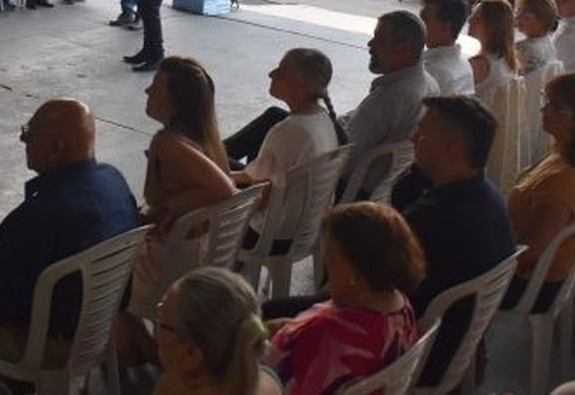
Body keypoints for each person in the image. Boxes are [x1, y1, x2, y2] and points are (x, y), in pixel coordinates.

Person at [0, 99, 140, 395]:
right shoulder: (114, 183)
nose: (23, 140)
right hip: (100, 326)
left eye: (29, 134)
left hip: (52, 343)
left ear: (56, 147)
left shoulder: (41, 215)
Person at [118, 57, 238, 362]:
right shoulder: (202, 135)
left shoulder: (169, 144)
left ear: (175, 101)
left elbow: (225, 190)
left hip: (168, 262)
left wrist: (168, 206)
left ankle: (157, 356)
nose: (146, 91)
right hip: (198, 252)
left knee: (96, 274)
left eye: (156, 88)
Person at [392, 95, 516, 387]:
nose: (412, 138)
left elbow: (357, 292)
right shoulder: (488, 195)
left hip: (415, 355)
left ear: (451, 147)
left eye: (421, 133)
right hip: (460, 342)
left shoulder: (428, 218)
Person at [263, 203, 423, 394]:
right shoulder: (401, 306)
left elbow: (273, 375)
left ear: (355, 274)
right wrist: (295, 328)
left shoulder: (324, 335)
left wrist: (261, 343)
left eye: (330, 262)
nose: (326, 271)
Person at [502, 73, 575, 313]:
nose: (545, 110)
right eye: (547, 101)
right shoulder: (571, 155)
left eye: (556, 106)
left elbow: (529, 252)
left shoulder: (563, 181)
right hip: (536, 271)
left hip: (528, 284)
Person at [224, 49, 345, 244]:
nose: (271, 74)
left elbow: (259, 193)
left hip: (273, 233)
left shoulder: (288, 130)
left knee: (201, 177)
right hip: (306, 226)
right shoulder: (323, 117)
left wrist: (217, 180)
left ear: (301, 86)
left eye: (280, 71)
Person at [337, 11, 441, 199]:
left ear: (403, 47)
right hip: (385, 188)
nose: (370, 45)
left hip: (354, 188)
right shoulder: (430, 84)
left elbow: (345, 159)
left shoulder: (391, 97)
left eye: (380, 40)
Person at [152, 268, 283, 395]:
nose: (157, 324)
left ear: (190, 354)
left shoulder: (171, 389)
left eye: (162, 315)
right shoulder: (268, 381)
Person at [420, 0, 475, 96]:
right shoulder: (464, 63)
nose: (418, 25)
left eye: (425, 20)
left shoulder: (432, 73)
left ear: (445, 28)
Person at [467, 0, 520, 94]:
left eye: (477, 19)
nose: (470, 21)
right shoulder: (508, 59)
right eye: (471, 15)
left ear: (493, 27)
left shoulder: (480, 64)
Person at [515, 0, 560, 76]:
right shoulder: (550, 42)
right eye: (518, 12)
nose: (518, 18)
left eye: (526, 17)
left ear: (542, 22)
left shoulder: (522, 48)